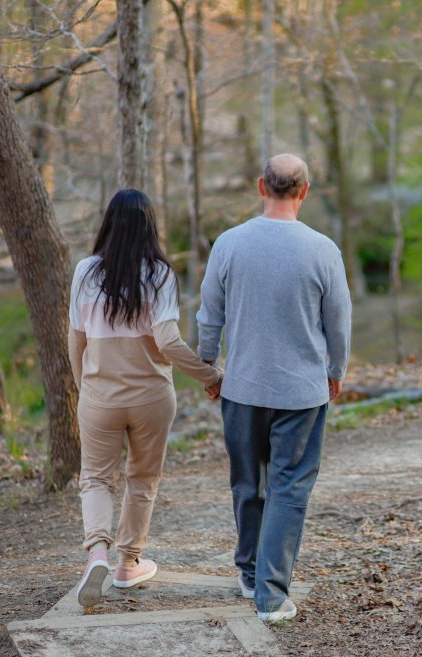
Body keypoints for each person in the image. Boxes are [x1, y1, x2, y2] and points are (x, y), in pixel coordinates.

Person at [197, 153, 351, 624]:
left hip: (242, 387)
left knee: (248, 483)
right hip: (302, 392)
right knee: (289, 486)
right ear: (304, 191)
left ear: (260, 186)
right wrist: (336, 369)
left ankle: (249, 572)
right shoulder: (323, 249)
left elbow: (209, 313)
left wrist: (208, 365)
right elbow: (339, 322)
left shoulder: (229, 243)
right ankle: (270, 593)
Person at [69, 189, 223, 608]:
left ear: (108, 224)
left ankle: (96, 554)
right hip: (152, 397)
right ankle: (127, 563)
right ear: (149, 226)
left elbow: (76, 341)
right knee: (142, 478)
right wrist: (211, 376)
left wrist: (87, 389)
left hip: (100, 396)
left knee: (96, 478)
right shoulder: (158, 273)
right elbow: (169, 342)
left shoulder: (85, 271)